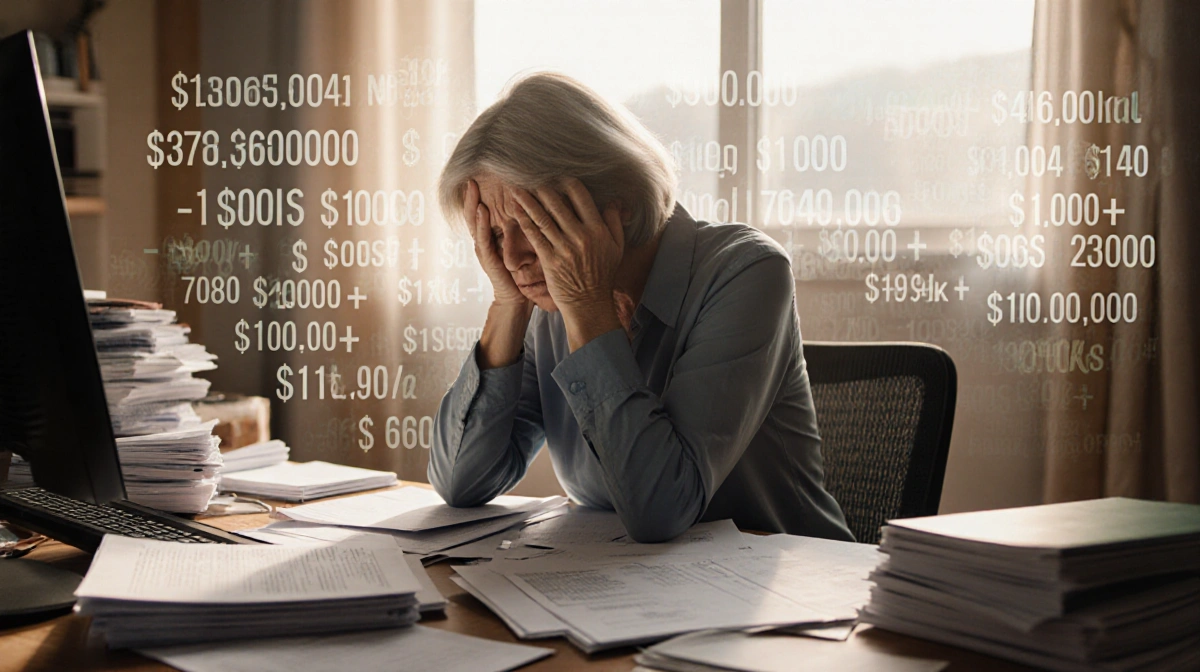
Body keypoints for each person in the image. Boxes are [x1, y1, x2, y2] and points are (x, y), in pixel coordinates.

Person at [429, 72, 853, 543]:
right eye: (492, 233)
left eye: (532, 224)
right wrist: (506, 304)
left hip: (792, 587)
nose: (511, 258)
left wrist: (589, 308)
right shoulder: (543, 300)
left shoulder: (747, 271)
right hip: (626, 588)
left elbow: (662, 509)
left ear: (619, 202)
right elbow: (461, 483)